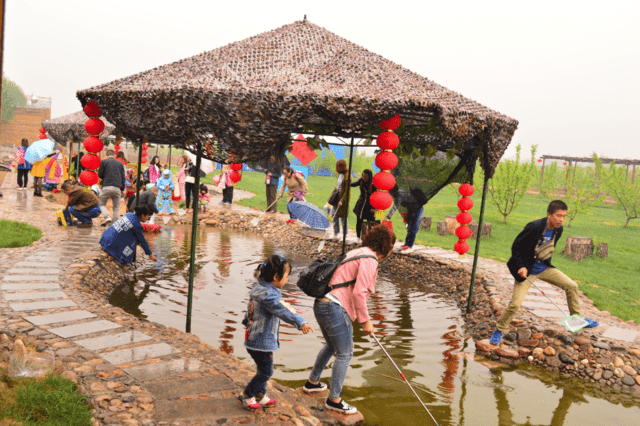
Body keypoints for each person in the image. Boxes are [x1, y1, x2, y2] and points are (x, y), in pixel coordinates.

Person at [303, 224, 395, 414]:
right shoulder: (370, 260)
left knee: (331, 346)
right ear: (386, 246)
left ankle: (312, 383)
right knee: (345, 353)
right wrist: (366, 321)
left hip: (321, 304)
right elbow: (359, 293)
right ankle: (334, 400)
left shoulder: (358, 252)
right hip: (335, 307)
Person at [489, 200, 599, 345]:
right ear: (549, 214)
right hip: (527, 271)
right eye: (558, 215)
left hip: (545, 268)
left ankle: (577, 319)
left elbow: (547, 248)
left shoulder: (558, 230)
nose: (561, 219)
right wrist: (521, 266)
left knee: (572, 286)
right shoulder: (534, 227)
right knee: (515, 304)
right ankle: (499, 329)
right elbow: (516, 247)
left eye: (564, 216)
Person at [238, 255, 313, 410]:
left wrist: (247, 322)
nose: (287, 280)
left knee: (262, 369)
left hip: (252, 337)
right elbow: (284, 310)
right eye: (286, 276)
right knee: (266, 372)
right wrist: (301, 322)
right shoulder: (270, 296)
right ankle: (247, 395)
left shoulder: (257, 289)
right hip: (262, 342)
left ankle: (260, 394)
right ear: (276, 277)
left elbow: (250, 312)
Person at [384, 185, 425, 254]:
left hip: (418, 209)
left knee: (413, 228)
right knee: (409, 227)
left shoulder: (399, 196)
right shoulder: (399, 192)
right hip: (411, 210)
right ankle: (406, 244)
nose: (388, 192)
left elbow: (395, 207)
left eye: (388, 191)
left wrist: (388, 217)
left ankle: (409, 247)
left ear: (392, 192)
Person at [98, 149, 127, 227]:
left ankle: (107, 217)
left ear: (106, 156)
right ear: (114, 155)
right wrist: (122, 189)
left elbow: (100, 175)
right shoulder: (120, 164)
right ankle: (114, 226)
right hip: (117, 188)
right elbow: (123, 178)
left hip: (106, 186)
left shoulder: (104, 162)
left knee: (102, 204)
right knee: (116, 208)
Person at [350, 169, 376, 241]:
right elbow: (354, 184)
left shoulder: (374, 184)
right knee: (359, 221)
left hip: (370, 205)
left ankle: (370, 239)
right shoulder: (361, 180)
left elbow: (375, 197)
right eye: (363, 176)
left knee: (370, 222)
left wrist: (373, 207)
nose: (364, 178)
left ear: (370, 177)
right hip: (361, 204)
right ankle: (358, 237)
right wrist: (349, 182)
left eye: (366, 177)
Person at [332, 159, 351, 237]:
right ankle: (336, 232)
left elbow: (347, 190)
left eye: (338, 166)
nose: (337, 168)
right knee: (335, 214)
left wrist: (342, 200)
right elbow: (339, 186)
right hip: (337, 197)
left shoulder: (348, 176)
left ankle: (345, 234)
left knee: (343, 216)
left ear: (342, 167)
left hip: (343, 198)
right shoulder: (340, 175)